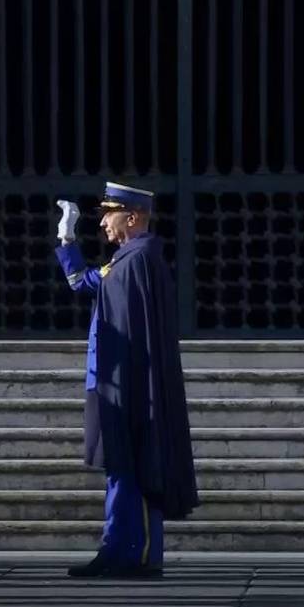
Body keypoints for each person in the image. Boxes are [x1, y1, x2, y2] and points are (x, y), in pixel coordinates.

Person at [55, 184, 199, 578]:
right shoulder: (125, 260)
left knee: (130, 466)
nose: (102, 222)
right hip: (110, 379)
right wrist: (66, 239)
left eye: (109, 213)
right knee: (119, 465)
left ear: (132, 217)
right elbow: (83, 283)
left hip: (125, 384)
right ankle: (120, 548)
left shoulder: (137, 261)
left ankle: (132, 552)